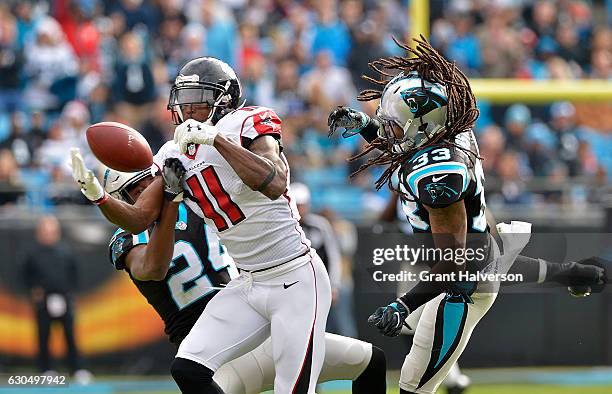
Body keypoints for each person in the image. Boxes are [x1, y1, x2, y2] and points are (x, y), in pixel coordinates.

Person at [328, 37, 606, 394]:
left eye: (394, 123)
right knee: (495, 262)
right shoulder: (446, 135)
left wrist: (402, 303)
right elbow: (402, 138)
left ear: (422, 126)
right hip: (472, 261)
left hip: (459, 287)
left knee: (413, 387)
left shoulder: (437, 173)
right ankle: (574, 273)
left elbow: (457, 263)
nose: (387, 130)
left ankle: (573, 274)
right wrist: (366, 124)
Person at [72, 56, 333, 394]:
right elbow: (139, 218)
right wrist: (100, 198)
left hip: (295, 276)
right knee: (187, 368)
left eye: (196, 98)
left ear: (222, 100)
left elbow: (274, 181)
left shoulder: (247, 123)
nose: (186, 107)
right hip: (249, 283)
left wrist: (216, 141)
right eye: (182, 98)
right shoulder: (173, 153)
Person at [103, 165, 385, 394]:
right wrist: (170, 206)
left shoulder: (199, 204)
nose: (147, 192)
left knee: (371, 361)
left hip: (268, 329)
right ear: (122, 201)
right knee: (190, 373)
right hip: (218, 357)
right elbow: (152, 268)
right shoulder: (129, 238)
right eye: (135, 190)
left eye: (149, 182)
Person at [20, 215, 92, 383]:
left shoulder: (66, 252)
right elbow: (25, 276)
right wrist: (33, 290)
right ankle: (46, 370)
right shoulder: (31, 254)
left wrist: (71, 294)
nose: (49, 234)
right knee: (44, 335)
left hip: (64, 299)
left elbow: (74, 274)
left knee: (70, 335)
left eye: (52, 231)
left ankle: (77, 369)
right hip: (43, 301)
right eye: (45, 231)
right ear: (39, 233)